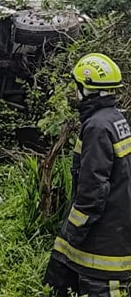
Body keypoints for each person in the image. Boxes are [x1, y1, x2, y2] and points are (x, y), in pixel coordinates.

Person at [44, 53, 131, 297]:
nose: (74, 93)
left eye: (77, 87)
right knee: (57, 275)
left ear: (87, 89)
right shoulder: (116, 119)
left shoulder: (96, 127)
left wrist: (73, 231)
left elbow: (93, 190)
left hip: (103, 244)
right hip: (111, 229)